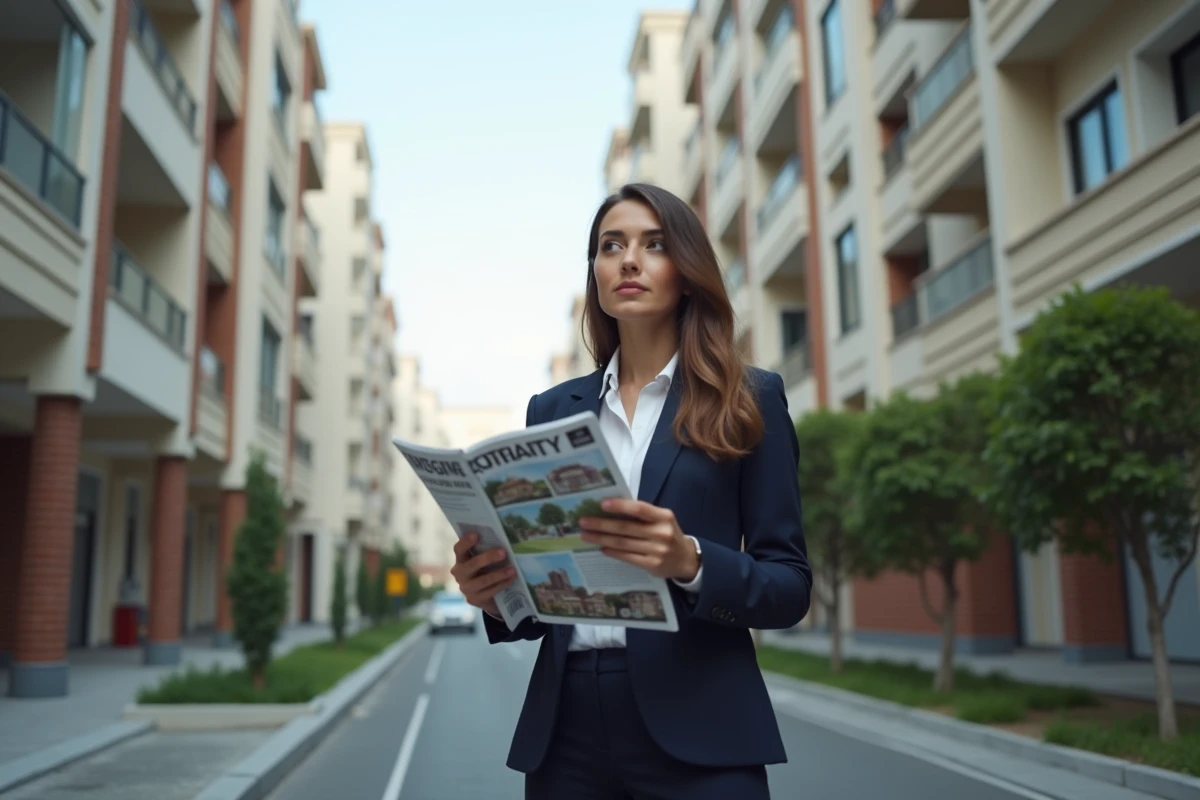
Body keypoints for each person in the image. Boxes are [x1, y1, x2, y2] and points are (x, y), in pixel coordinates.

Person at [450, 183, 811, 799]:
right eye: (610, 245)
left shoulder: (751, 398)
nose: (628, 260)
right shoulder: (553, 410)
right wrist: (494, 595)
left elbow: (789, 584)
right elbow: (547, 596)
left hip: (702, 727)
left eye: (653, 245)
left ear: (688, 272)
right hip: (566, 736)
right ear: (595, 273)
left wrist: (691, 562)